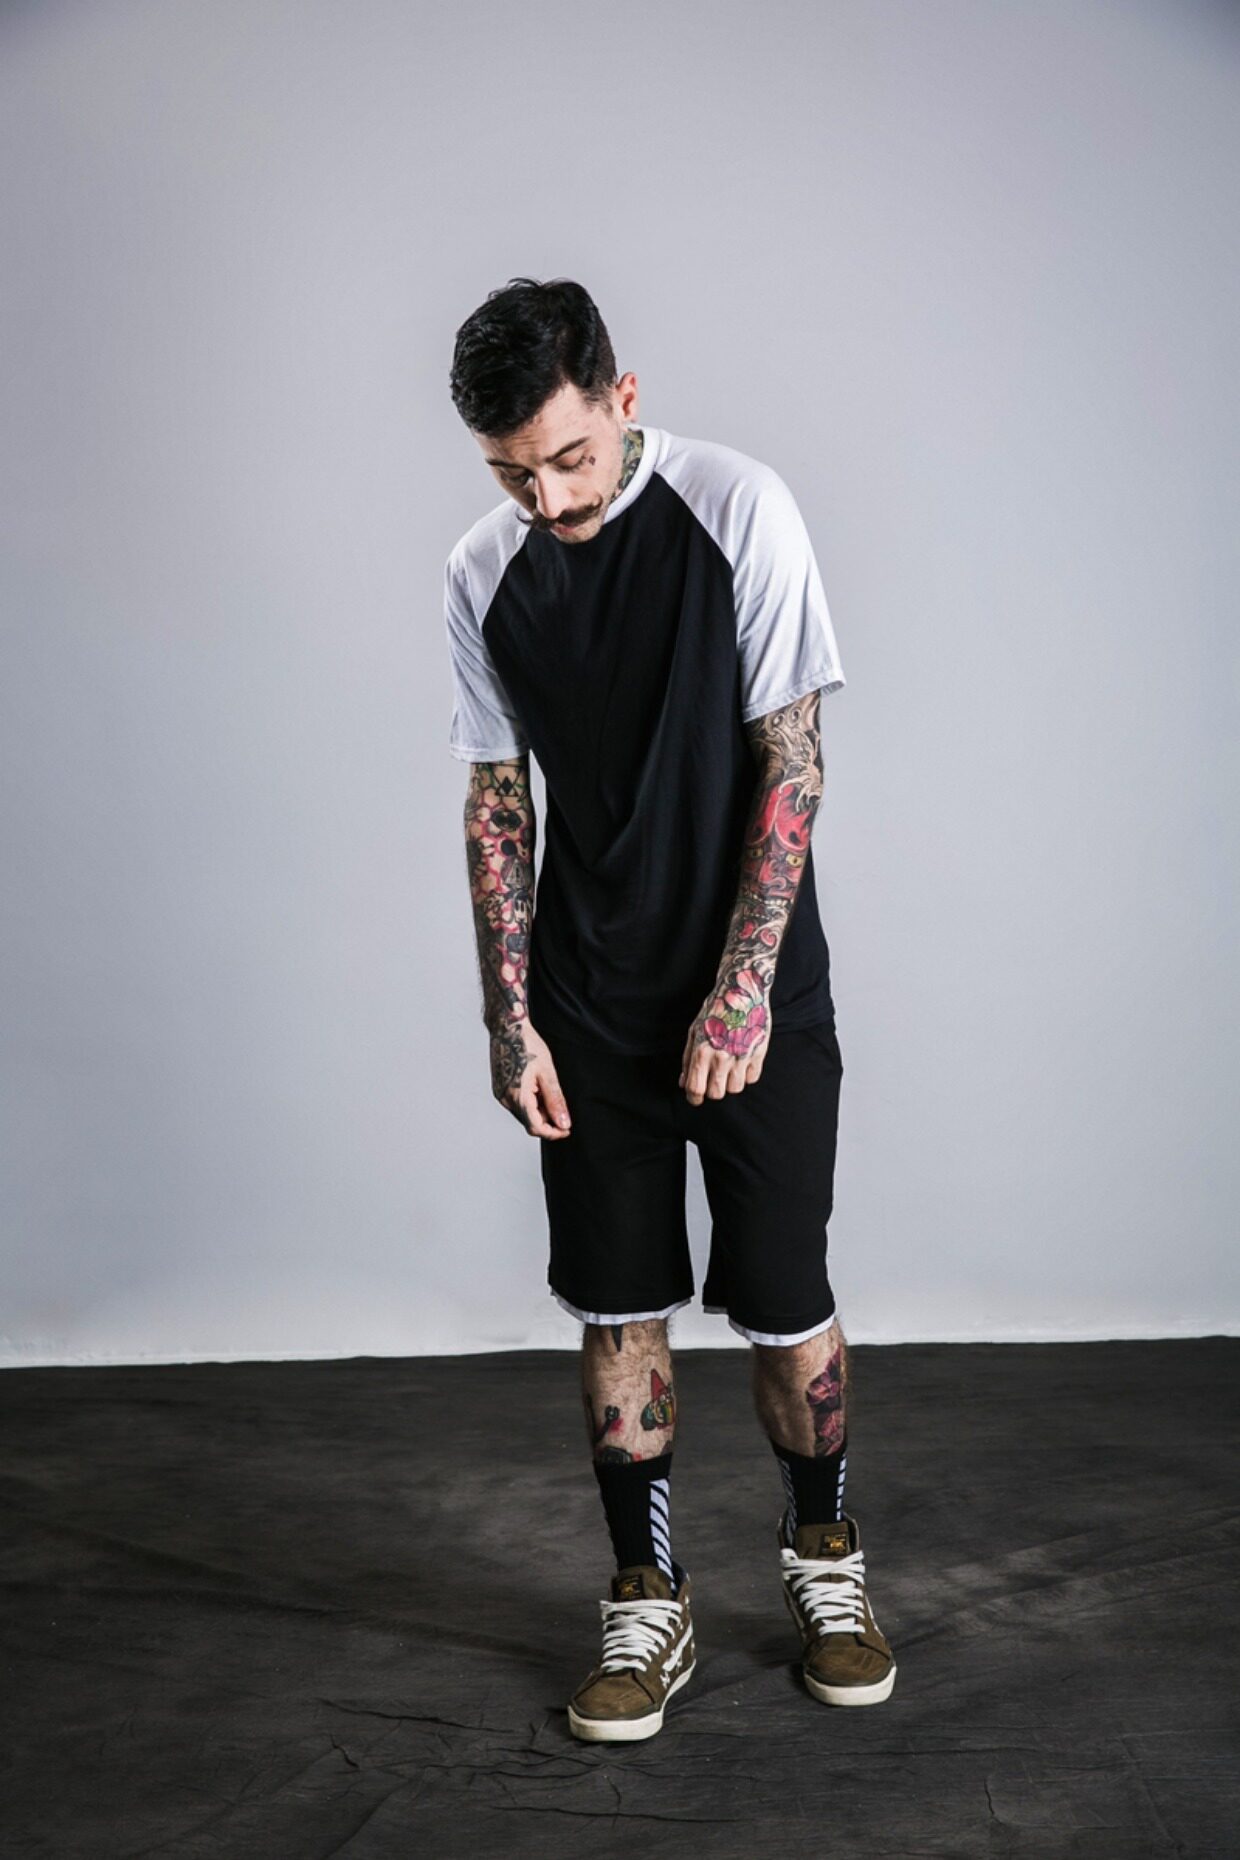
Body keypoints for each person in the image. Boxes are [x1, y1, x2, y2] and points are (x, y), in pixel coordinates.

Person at [443, 276, 895, 1742]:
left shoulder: (739, 507)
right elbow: (498, 801)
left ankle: (825, 1559)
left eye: (570, 458)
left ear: (623, 398)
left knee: (786, 1303)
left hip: (754, 992)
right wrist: (510, 1017)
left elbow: (793, 760)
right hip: (591, 1003)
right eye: (513, 472)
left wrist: (743, 988)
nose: (550, 499)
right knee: (615, 1309)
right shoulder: (481, 572)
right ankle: (648, 1598)